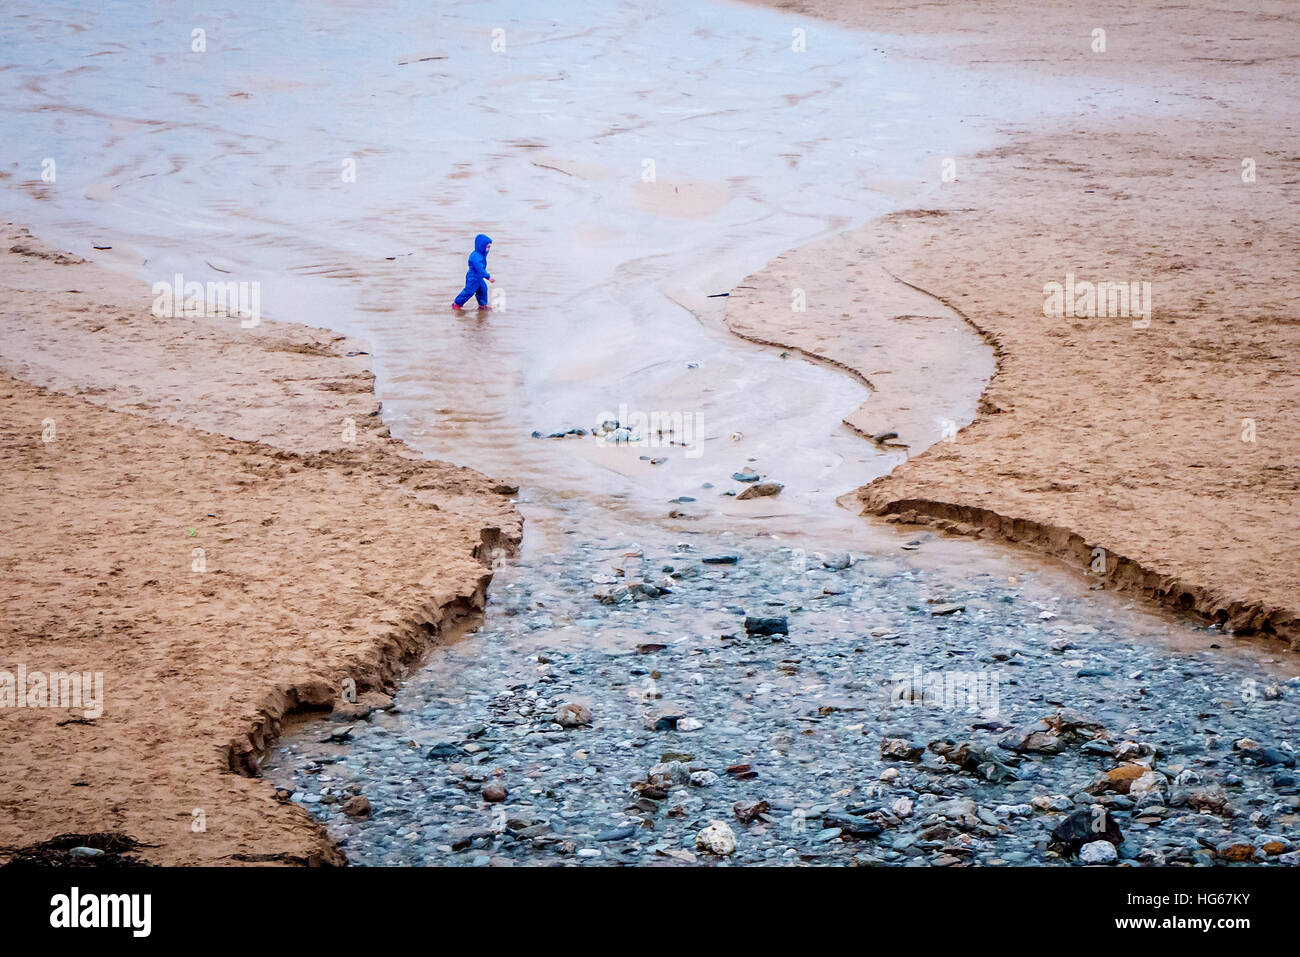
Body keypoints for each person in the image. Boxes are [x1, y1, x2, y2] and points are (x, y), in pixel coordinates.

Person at [451, 233, 494, 311]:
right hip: (473, 277)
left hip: (479, 277)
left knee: (483, 289)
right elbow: (480, 269)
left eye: (489, 247)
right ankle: (457, 304)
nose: (488, 249)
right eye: (487, 247)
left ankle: (482, 305)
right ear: (481, 246)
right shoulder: (475, 257)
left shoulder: (481, 255)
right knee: (469, 291)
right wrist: (488, 277)